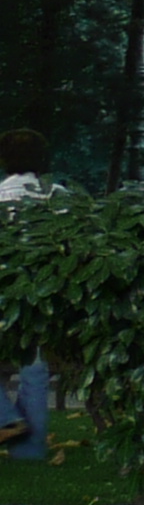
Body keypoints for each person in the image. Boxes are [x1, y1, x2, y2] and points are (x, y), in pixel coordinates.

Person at [1, 129, 50, 461]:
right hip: (43, 292)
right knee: (35, 369)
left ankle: (7, 418)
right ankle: (29, 453)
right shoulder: (57, 197)